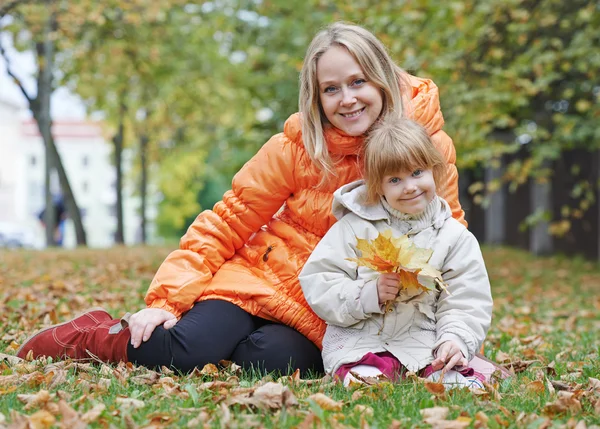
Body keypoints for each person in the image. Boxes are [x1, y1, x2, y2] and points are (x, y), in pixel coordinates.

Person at [16, 22, 466, 376]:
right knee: (183, 349)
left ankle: (233, 345)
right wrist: (165, 301)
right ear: (316, 97)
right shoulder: (295, 148)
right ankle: (92, 336)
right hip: (257, 280)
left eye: (357, 82)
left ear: (382, 80)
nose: (346, 99)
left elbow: (449, 243)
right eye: (331, 89)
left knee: (276, 362)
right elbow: (227, 220)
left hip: (327, 307)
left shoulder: (428, 148)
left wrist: (454, 336)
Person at [299, 117, 493, 388]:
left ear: (433, 171)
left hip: (426, 342)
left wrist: (454, 338)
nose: (410, 186)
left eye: (417, 173)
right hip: (363, 341)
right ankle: (367, 376)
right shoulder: (354, 227)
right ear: (378, 185)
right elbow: (320, 280)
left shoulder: (454, 237)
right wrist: (369, 294)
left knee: (448, 374)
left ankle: (447, 374)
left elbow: (466, 298)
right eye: (395, 179)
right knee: (364, 376)